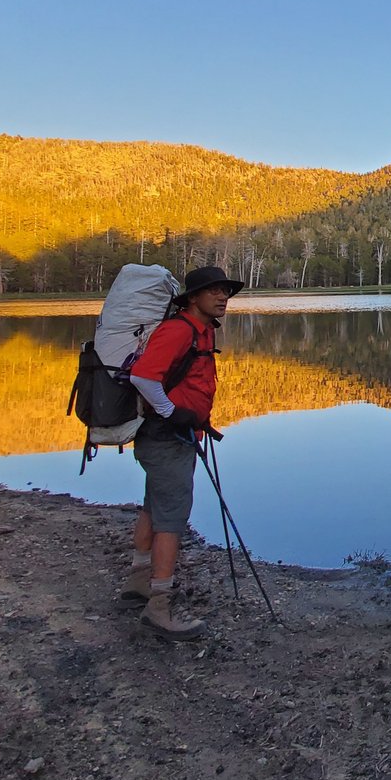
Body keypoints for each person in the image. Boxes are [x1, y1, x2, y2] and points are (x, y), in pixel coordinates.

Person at [120, 265, 243, 639]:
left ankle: (139, 581)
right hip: (166, 437)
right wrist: (174, 413)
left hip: (172, 435)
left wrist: (189, 417)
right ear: (193, 298)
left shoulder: (199, 332)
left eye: (225, 291)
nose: (222, 297)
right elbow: (143, 376)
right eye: (214, 292)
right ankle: (159, 607)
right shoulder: (178, 331)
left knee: (154, 506)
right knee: (173, 517)